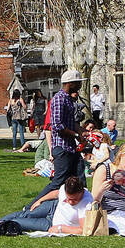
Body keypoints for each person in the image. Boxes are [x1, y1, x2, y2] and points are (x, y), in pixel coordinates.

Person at [37, 69, 85, 198]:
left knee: (80, 179)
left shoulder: (69, 100)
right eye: (78, 83)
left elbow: (70, 123)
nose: (80, 86)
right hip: (62, 147)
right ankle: (33, 205)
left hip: (71, 148)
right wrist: (75, 135)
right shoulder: (59, 99)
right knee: (58, 182)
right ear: (71, 83)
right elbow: (58, 125)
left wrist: (83, 132)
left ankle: (83, 206)